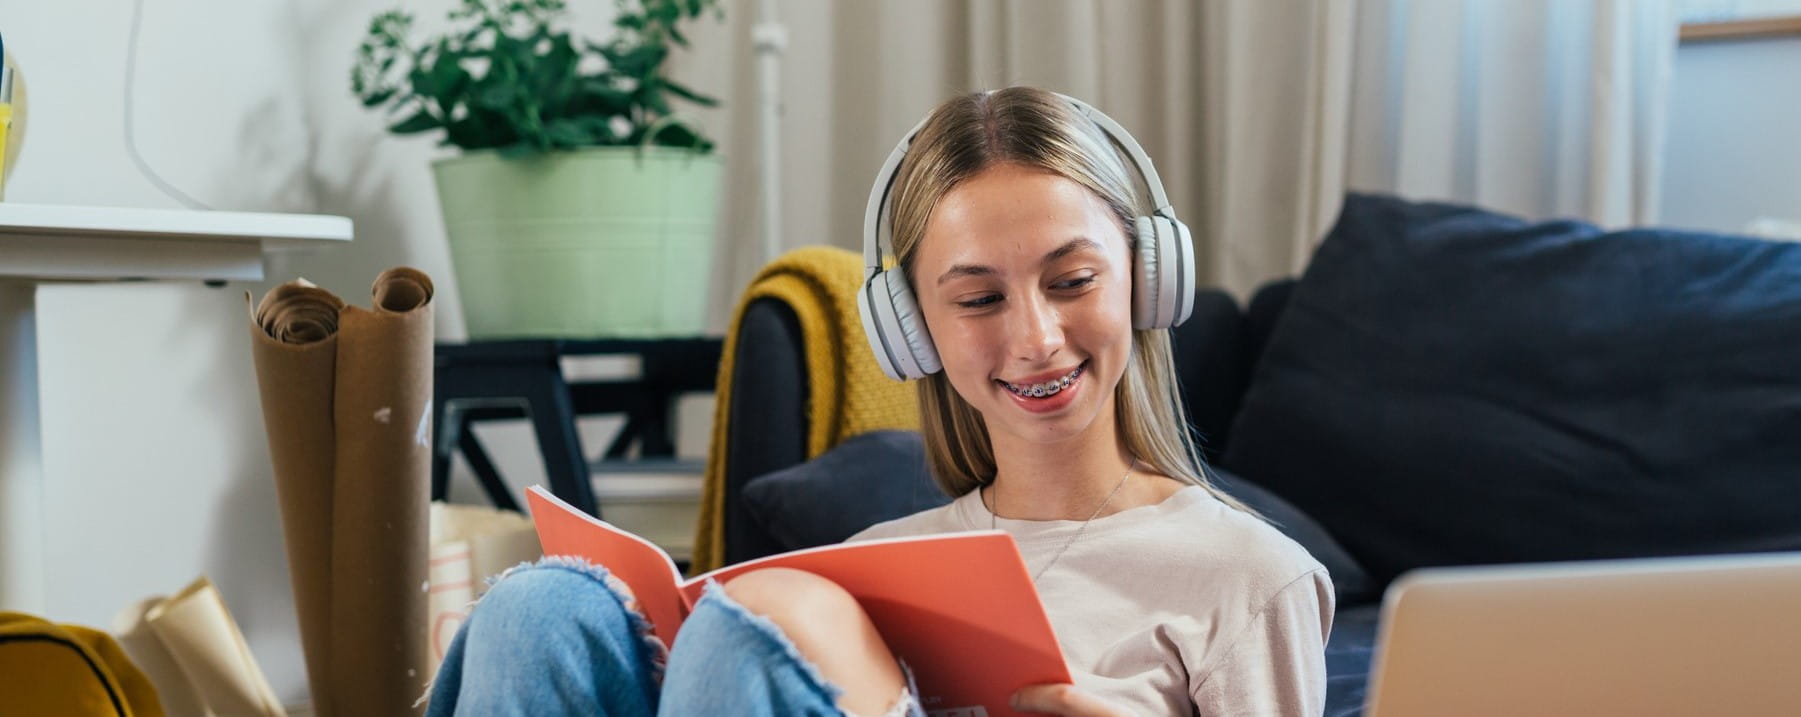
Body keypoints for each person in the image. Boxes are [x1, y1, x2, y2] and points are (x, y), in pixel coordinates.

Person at [424, 86, 1333, 717]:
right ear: (912, 331)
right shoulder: (871, 567)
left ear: (1147, 279)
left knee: (767, 618)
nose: (1035, 337)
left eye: (1072, 280)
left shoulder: (1247, 573)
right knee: (538, 609)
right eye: (978, 299)